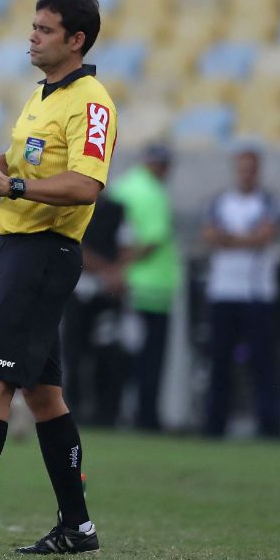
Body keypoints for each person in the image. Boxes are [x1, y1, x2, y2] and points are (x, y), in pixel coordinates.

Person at [0, 0, 116, 554]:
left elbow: (86, 184)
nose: (32, 36)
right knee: (45, 395)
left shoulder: (91, 102)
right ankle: (77, 526)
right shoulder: (41, 96)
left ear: (76, 40)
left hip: (44, 252)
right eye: (32, 27)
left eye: (45, 30)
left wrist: (16, 185)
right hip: (19, 251)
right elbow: (16, 161)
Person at [201, 146, 280, 438]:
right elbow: (210, 235)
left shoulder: (268, 202)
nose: (246, 174)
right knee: (219, 362)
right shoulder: (221, 201)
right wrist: (244, 239)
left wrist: (229, 239)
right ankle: (214, 425)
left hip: (256, 293)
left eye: (251, 169)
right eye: (242, 168)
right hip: (224, 291)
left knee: (262, 364)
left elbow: (263, 237)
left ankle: (269, 427)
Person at [110, 144, 180, 431]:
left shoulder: (121, 186)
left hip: (125, 287)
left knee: (124, 356)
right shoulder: (153, 193)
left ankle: (116, 412)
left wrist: (115, 266)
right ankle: (146, 417)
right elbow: (152, 240)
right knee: (150, 360)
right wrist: (123, 263)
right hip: (152, 290)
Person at [61, 195, 128, 426]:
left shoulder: (117, 208)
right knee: (74, 353)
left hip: (107, 294)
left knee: (108, 353)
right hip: (78, 290)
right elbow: (74, 245)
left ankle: (106, 412)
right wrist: (109, 270)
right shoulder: (72, 204)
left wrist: (115, 273)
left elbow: (126, 244)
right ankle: (75, 410)